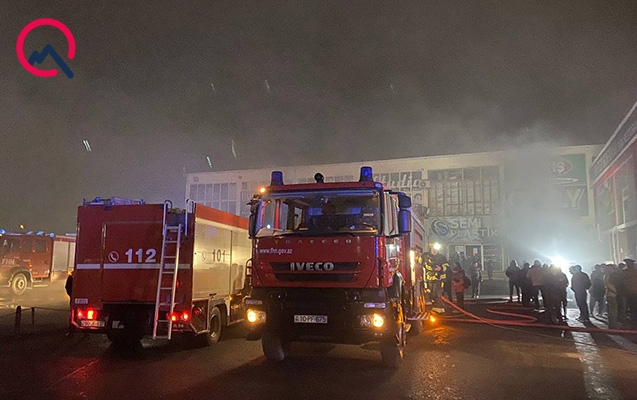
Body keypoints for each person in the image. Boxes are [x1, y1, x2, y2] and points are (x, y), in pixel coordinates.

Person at [424, 247, 449, 314]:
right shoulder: (426, 256)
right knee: (429, 293)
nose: (434, 251)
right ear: (430, 250)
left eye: (436, 249)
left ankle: (439, 309)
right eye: (433, 249)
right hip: (429, 279)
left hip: (439, 279)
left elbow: (447, 266)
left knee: (437, 293)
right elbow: (420, 262)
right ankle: (432, 308)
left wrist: (441, 268)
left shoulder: (442, 257)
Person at [605, 263, 621, 329]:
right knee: (613, 311)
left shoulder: (607, 275)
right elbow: (609, 285)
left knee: (612, 310)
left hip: (610, 295)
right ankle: (613, 324)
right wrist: (615, 291)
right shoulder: (609, 276)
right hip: (611, 295)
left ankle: (612, 323)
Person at [622, 258, 637, 325]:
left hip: (631, 293)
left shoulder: (624, 273)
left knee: (632, 308)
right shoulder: (624, 273)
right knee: (632, 308)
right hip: (630, 293)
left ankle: (633, 320)